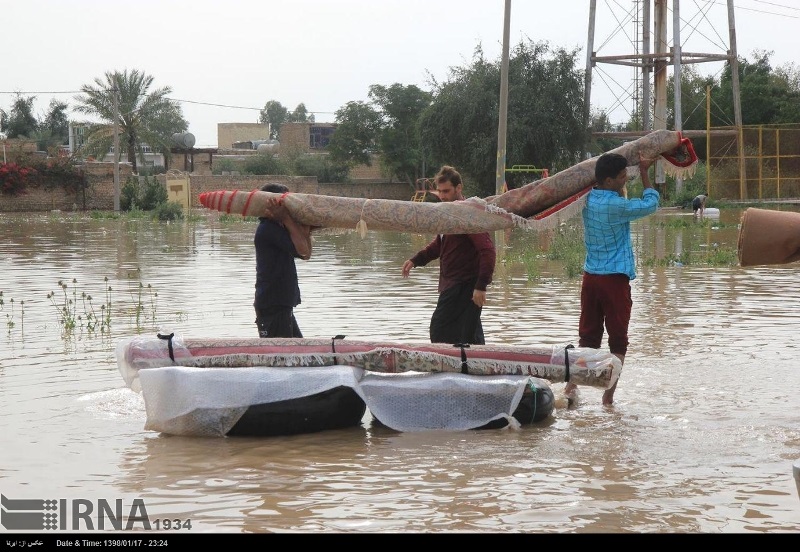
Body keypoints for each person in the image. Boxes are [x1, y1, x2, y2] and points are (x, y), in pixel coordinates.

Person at [565, 152, 659, 406]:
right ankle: (608, 398)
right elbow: (650, 204)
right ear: (607, 181)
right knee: (618, 340)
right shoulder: (616, 205)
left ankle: (570, 389)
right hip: (614, 280)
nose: (623, 182)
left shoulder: (587, 198)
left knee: (588, 337)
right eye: (621, 178)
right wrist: (645, 173)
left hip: (591, 277)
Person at [401, 165, 496, 345]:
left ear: (458, 188)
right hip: (454, 284)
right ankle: (475, 366)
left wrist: (481, 286)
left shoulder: (468, 214)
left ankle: (457, 366)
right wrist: (416, 260)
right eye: (440, 191)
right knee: (469, 332)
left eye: (447, 191)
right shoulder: (450, 214)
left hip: (464, 285)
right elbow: (440, 245)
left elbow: (488, 251)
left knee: (439, 328)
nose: (442, 196)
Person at [253, 183, 313, 338]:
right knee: (283, 358)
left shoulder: (281, 228)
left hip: (281, 304)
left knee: (299, 352)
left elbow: (305, 255)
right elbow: (303, 250)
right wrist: (287, 218)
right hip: (273, 304)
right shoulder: (268, 229)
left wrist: (305, 230)